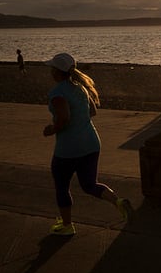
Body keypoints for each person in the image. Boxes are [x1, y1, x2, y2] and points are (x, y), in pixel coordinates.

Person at [43, 53, 132, 236]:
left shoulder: (57, 92)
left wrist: (51, 129)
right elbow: (92, 111)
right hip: (91, 143)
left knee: (62, 186)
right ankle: (118, 202)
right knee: (90, 185)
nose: (50, 70)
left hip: (68, 149)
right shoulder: (81, 88)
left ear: (56, 71)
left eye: (52, 68)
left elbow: (64, 118)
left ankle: (67, 225)